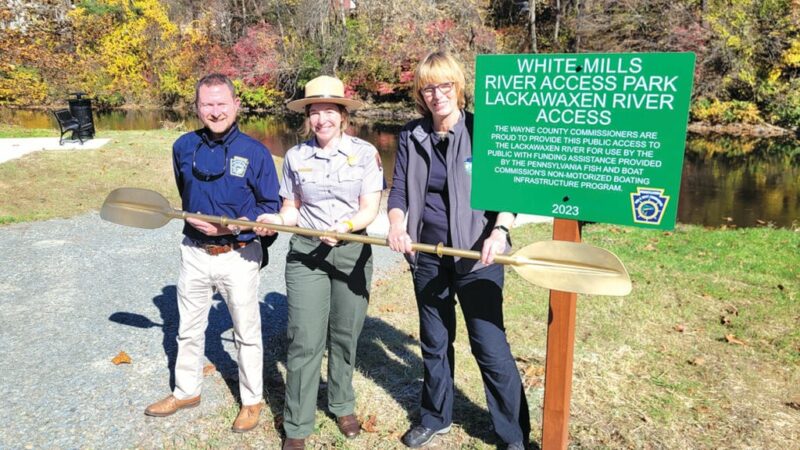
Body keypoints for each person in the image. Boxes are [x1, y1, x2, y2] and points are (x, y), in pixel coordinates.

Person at [387, 51, 530, 450]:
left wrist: (499, 231)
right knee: (434, 341)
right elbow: (398, 190)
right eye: (428, 88)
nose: (437, 95)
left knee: (489, 345)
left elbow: (510, 189)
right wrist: (398, 224)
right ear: (421, 93)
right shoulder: (411, 136)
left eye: (444, 85)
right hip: (428, 254)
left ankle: (513, 436)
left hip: (477, 256)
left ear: (459, 87)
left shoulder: (484, 130)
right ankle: (436, 416)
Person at [144, 73, 281, 434]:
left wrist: (235, 226)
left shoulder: (256, 152)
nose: (216, 111)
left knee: (246, 332)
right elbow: (184, 190)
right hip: (193, 252)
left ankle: (252, 400)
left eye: (222, 103)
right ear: (197, 107)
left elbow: (270, 206)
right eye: (208, 104)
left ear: (236, 104)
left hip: (238, 254)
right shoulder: (182, 147)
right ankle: (186, 391)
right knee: (188, 329)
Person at [255, 75, 383, 450]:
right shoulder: (295, 156)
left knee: (345, 335)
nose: (321, 118)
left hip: (351, 252)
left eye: (329, 110)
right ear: (307, 116)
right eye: (314, 111)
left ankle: (342, 403)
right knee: (304, 339)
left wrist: (344, 227)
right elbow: (291, 208)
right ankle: (297, 423)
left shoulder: (365, 153)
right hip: (307, 255)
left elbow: (369, 208)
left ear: (343, 115)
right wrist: (276, 221)